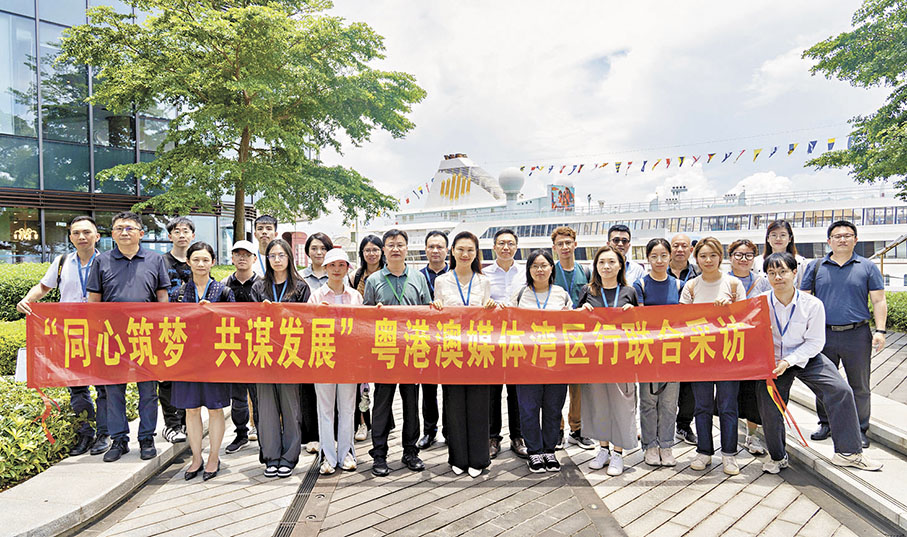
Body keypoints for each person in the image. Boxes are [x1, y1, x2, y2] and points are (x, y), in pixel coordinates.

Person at [756, 252, 882, 474]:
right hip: (773, 362)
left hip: (806, 356)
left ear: (794, 273)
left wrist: (789, 360)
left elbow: (815, 342)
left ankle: (848, 453)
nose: (778, 277)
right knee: (770, 406)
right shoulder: (759, 303)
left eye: (783, 271)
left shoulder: (812, 304)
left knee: (840, 390)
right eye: (772, 273)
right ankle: (777, 457)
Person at [17, 216, 108, 457]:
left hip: (101, 333)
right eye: (76, 233)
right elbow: (43, 287)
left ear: (97, 236)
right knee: (76, 387)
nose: (81, 237)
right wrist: (27, 300)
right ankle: (85, 433)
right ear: (70, 237)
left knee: (105, 387)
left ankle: (104, 434)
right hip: (70, 333)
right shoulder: (62, 262)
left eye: (86, 232)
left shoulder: (108, 262)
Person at [86, 211, 170, 462]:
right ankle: (119, 439)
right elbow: (94, 300)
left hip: (146, 336)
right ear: (112, 234)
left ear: (141, 234)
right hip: (112, 337)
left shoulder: (155, 260)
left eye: (130, 228)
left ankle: (146, 438)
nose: (124, 232)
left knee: (148, 391)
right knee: (113, 391)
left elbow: (162, 297)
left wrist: (161, 330)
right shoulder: (101, 261)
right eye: (119, 228)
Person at [802, 220, 887, 448]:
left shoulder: (867, 267)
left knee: (860, 385)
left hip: (857, 335)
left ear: (855, 240)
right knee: (824, 383)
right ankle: (826, 423)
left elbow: (879, 300)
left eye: (847, 235)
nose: (842, 239)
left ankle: (859, 428)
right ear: (829, 241)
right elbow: (804, 299)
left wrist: (880, 330)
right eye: (837, 236)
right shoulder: (816, 266)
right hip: (823, 334)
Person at [363, 229, 431, 476]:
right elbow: (365, 319)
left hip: (412, 349)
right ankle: (379, 454)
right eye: (390, 245)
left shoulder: (418, 278)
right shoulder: (374, 280)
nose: (395, 249)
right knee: (382, 404)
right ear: (384, 250)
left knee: (412, 403)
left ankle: (410, 451)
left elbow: (427, 312)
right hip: (385, 349)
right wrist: (375, 313)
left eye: (400, 244)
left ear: (406, 248)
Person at [431, 231, 497, 477]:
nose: (465, 254)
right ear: (452, 251)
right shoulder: (442, 281)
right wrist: (436, 307)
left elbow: (489, 315)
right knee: (455, 404)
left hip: (479, 349)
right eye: (460, 249)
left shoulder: (483, 281)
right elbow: (435, 315)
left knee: (479, 404)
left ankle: (479, 459)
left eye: (470, 250)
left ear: (476, 253)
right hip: (452, 350)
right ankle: (458, 457)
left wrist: (492, 307)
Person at [680, 237, 747, 475]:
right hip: (701, 354)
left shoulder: (733, 284)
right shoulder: (690, 287)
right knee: (702, 406)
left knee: (728, 406)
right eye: (703, 256)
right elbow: (682, 322)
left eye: (713, 255)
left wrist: (731, 307)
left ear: (720, 257)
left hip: (728, 354)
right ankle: (704, 451)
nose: (708, 260)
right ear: (696, 259)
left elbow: (745, 318)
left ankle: (729, 454)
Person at [170, 242, 235, 481]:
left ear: (213, 262)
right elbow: (168, 325)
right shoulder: (177, 294)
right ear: (188, 262)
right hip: (186, 360)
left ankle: (213, 457)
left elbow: (234, 324)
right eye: (196, 259)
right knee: (191, 409)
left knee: (216, 409)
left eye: (205, 260)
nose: (200, 264)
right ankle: (196, 457)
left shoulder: (223, 291)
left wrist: (214, 313)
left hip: (214, 359)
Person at [250, 238, 312, 478]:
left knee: (290, 406)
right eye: (272, 256)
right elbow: (250, 320)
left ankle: (289, 456)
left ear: (289, 258)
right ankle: (271, 456)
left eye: (281, 255)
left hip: (290, 354)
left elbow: (307, 321)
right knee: (266, 408)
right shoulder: (259, 287)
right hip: (264, 353)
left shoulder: (300, 287)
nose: (277, 260)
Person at [578, 245, 639, 476]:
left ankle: (618, 453)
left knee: (622, 406)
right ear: (595, 266)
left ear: (620, 265)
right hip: (594, 361)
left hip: (621, 360)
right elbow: (575, 325)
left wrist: (633, 312)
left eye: (612, 262)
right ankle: (602, 449)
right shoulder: (588, 291)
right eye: (602, 262)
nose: (606, 266)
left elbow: (641, 327)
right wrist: (580, 310)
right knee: (598, 405)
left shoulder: (629, 291)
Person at [509, 249, 571, 472]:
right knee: (528, 409)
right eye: (534, 266)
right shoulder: (520, 295)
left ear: (552, 268)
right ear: (529, 270)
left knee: (553, 408)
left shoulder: (561, 294)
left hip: (556, 363)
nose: (540, 270)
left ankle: (549, 450)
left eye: (544, 265)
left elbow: (573, 326)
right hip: (527, 363)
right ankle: (534, 451)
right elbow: (508, 324)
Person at [309, 248, 362, 474]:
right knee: (325, 409)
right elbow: (306, 327)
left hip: (349, 359)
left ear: (348, 268)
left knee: (348, 408)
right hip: (324, 357)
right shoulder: (316, 296)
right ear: (325, 268)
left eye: (341, 265)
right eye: (332, 265)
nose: (337, 270)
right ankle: (327, 457)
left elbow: (363, 327)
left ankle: (346, 453)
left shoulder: (356, 297)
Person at [632, 238, 680, 467]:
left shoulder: (679, 285)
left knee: (670, 403)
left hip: (673, 352)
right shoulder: (640, 285)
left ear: (670, 257)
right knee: (648, 401)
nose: (659, 260)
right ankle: (650, 445)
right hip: (648, 352)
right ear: (647, 258)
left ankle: (667, 445)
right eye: (654, 256)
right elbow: (640, 318)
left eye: (663, 255)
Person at [550, 226, 595, 451]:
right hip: (555, 336)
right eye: (560, 244)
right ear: (554, 248)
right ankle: (557, 429)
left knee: (579, 386)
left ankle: (577, 429)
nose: (565, 247)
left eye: (568, 243)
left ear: (575, 244)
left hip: (580, 336)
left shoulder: (586, 272)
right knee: (556, 385)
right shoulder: (549, 271)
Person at [485, 228, 527, 459]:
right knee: (493, 390)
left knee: (516, 391)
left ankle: (518, 436)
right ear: (494, 247)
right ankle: (492, 437)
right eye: (501, 243)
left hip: (518, 338)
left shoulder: (525, 273)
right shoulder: (484, 274)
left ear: (516, 247)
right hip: (492, 339)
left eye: (510, 243)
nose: (506, 247)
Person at [726, 238, 771, 457]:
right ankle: (728, 437)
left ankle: (752, 436)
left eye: (748, 255)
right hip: (727, 346)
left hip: (754, 346)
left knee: (753, 393)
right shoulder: (722, 280)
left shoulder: (762, 282)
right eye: (738, 255)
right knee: (729, 393)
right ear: (730, 257)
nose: (743, 259)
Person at [221, 240, 261, 453]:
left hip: (258, 346)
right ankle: (241, 434)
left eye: (247, 254)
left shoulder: (262, 284)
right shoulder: (224, 285)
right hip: (233, 347)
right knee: (237, 396)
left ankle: (264, 434)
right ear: (232, 258)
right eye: (238, 254)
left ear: (254, 258)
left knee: (259, 394)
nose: (242, 258)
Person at [160, 216, 196, 445]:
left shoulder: (197, 260)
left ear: (193, 236)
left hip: (191, 330)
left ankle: (183, 422)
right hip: (166, 327)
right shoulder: (160, 262)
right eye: (177, 231)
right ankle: (171, 424)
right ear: (170, 235)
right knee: (166, 378)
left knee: (187, 376)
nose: (181, 235)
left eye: (186, 231)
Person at [298, 233, 332, 455]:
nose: (318, 252)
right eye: (314, 248)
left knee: (331, 389)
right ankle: (311, 435)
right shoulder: (300, 277)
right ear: (307, 252)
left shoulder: (337, 272)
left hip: (332, 340)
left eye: (323, 248)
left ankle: (332, 434)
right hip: (306, 340)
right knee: (309, 390)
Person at [416, 230, 449, 451]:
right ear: (425, 250)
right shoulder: (418, 277)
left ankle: (450, 430)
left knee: (450, 389)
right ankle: (429, 431)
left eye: (440, 247)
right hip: (425, 340)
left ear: (447, 250)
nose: (435, 251)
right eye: (431, 247)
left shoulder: (455, 275)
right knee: (428, 389)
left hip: (451, 340)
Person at [350, 235, 385, 442]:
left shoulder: (388, 273)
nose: (371, 254)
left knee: (383, 382)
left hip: (383, 334)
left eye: (375, 250)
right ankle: (363, 422)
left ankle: (383, 421)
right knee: (361, 382)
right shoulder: (356, 276)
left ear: (382, 251)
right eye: (367, 250)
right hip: (360, 335)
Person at [669, 233, 700, 446]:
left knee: (690, 388)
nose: (680, 249)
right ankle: (661, 426)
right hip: (666, 338)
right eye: (675, 246)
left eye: (684, 246)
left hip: (693, 338)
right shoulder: (658, 271)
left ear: (691, 250)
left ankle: (684, 424)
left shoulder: (700, 273)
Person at [755, 219, 808, 287]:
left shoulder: (800, 262)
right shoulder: (757, 262)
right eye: (774, 235)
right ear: (768, 238)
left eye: (783, 235)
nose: (778, 239)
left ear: (790, 238)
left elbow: (803, 288)